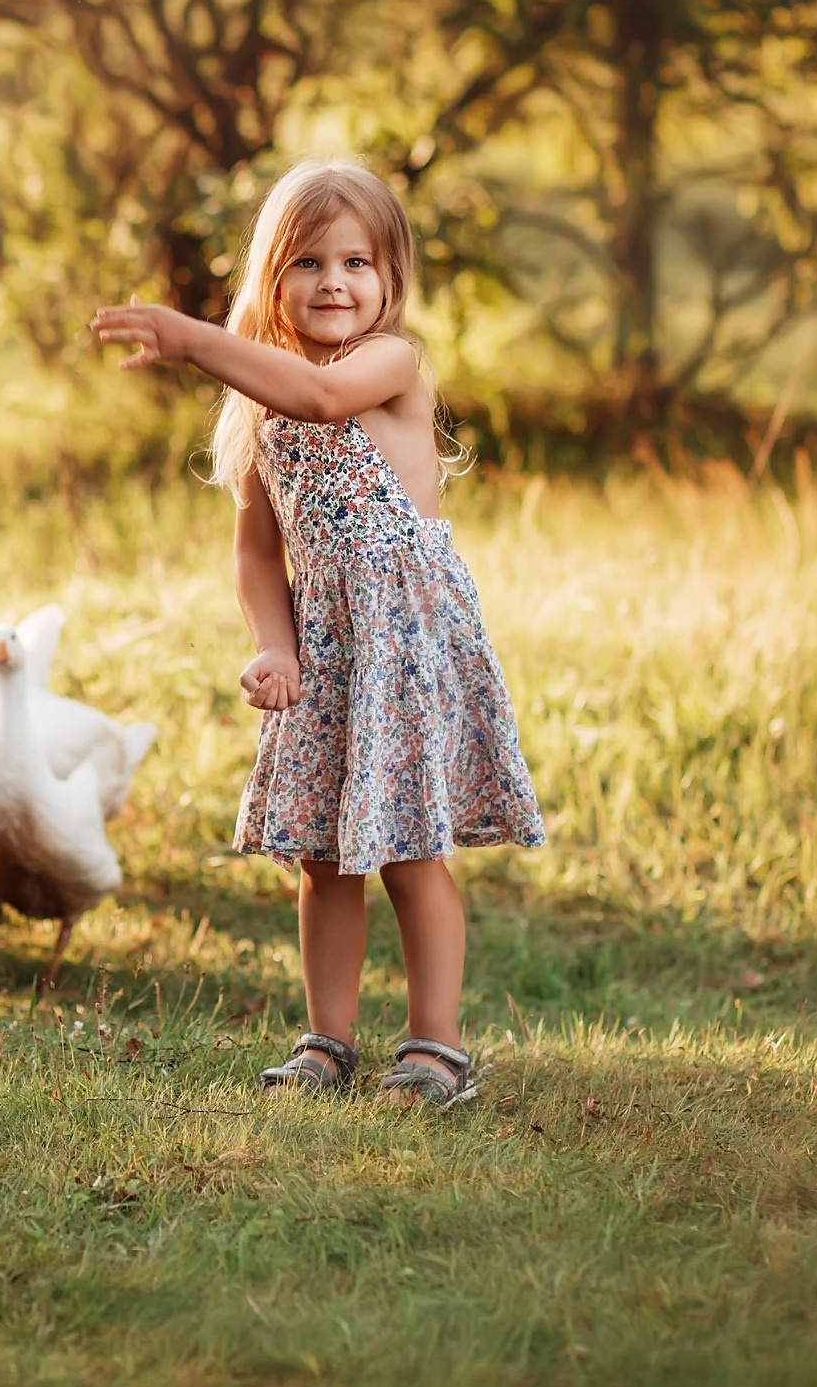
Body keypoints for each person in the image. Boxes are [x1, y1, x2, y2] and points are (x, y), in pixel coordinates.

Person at [90, 158, 544, 1107]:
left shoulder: (392, 364)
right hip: (326, 648)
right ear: (272, 279)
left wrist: (191, 338)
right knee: (322, 852)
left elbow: (323, 398)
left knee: (411, 846)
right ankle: (326, 1041)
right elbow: (258, 554)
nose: (333, 282)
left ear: (391, 278)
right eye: (306, 263)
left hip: (402, 643)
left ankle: (436, 1047)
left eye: (356, 262)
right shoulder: (264, 403)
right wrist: (274, 644)